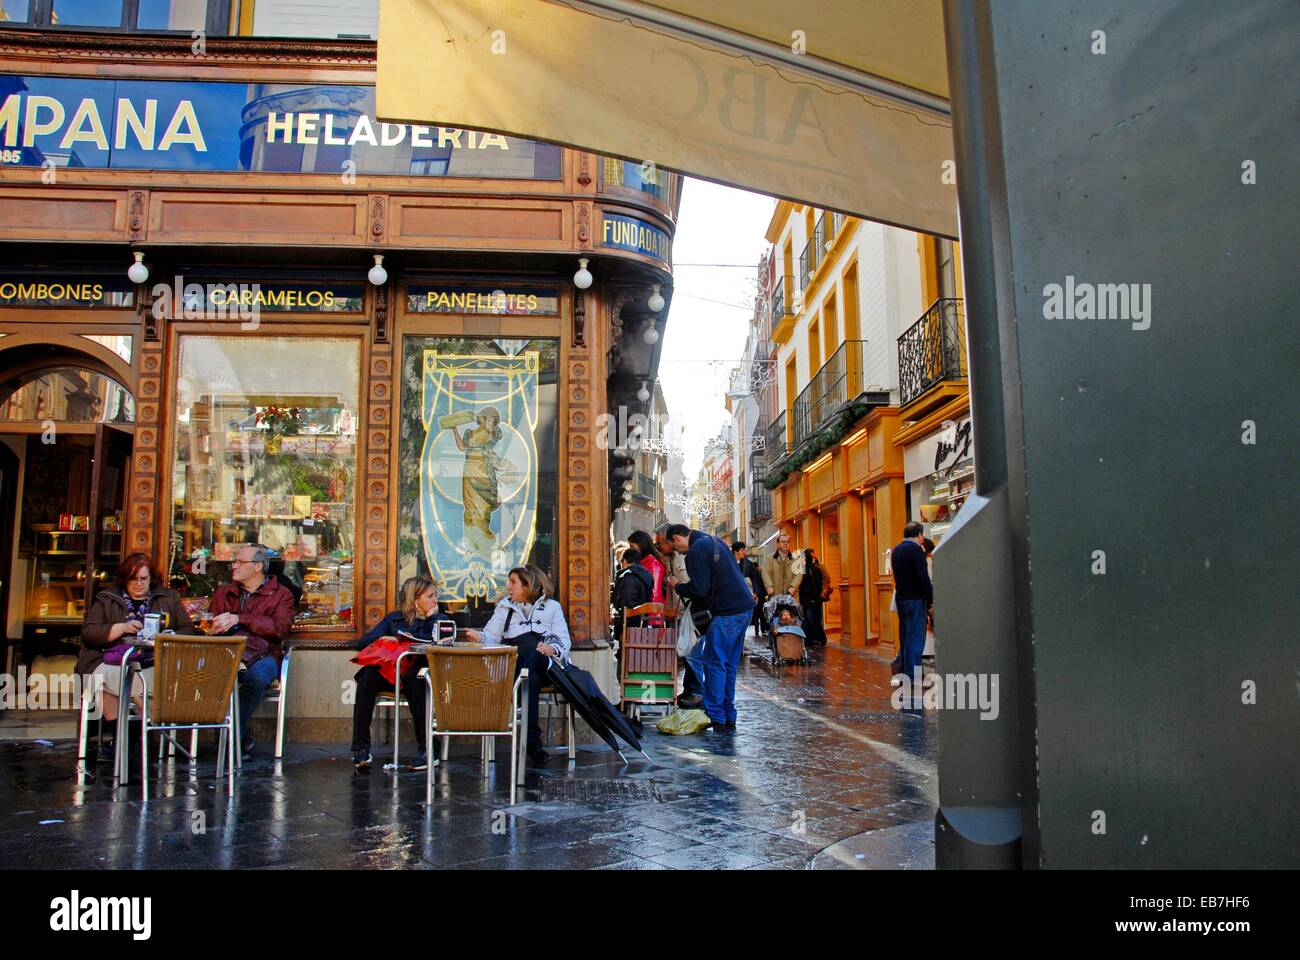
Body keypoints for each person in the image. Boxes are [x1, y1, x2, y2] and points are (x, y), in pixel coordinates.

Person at [465, 564, 571, 767]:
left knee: (532, 658)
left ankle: (531, 741)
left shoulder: (552, 607)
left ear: (528, 585)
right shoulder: (505, 608)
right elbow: (491, 636)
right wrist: (479, 637)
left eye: (513, 582)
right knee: (529, 676)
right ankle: (532, 742)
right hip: (518, 670)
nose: (509, 586)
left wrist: (552, 649)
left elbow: (564, 640)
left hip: (547, 664)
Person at [78, 553, 193, 733]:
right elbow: (89, 633)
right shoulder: (107, 598)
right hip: (110, 659)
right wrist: (122, 628)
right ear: (124, 579)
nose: (139, 583)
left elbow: (187, 629)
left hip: (155, 661)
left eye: (143, 578)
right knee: (104, 680)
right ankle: (128, 738)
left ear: (151, 578)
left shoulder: (168, 597)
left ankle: (125, 742)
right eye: (133, 579)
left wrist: (165, 637)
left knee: (118, 683)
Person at [351, 575, 453, 771]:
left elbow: (442, 643)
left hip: (426, 677)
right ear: (415, 601)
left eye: (435, 595)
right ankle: (360, 748)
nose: (435, 600)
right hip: (395, 674)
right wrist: (385, 639)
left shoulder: (441, 619)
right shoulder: (394, 619)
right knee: (367, 676)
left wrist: (432, 617)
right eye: (430, 596)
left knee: (415, 677)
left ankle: (429, 750)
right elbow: (362, 643)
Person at [207, 543, 296, 757]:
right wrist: (214, 627)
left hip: (264, 655)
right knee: (204, 676)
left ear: (258, 567)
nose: (234, 566)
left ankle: (231, 738)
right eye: (234, 561)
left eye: (240, 562)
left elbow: (279, 628)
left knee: (255, 678)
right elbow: (210, 624)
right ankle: (240, 735)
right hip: (227, 653)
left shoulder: (281, 595)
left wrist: (240, 619)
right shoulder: (223, 593)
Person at [666, 523, 755, 733]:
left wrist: (677, 586)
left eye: (674, 546)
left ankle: (715, 714)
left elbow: (700, 588)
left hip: (727, 612)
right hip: (743, 608)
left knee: (714, 662)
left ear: (677, 538)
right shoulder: (715, 541)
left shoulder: (695, 550)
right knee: (728, 663)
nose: (677, 551)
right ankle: (727, 714)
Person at [656, 523, 703, 709]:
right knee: (687, 651)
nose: (659, 546)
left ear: (671, 540)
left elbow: (686, 584)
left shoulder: (680, 559)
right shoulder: (668, 559)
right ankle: (690, 689)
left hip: (687, 612)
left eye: (661, 543)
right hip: (678, 613)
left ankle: (697, 692)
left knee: (691, 652)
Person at [890, 521, 933, 705]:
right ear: (919, 534)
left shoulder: (896, 550)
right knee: (916, 639)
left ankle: (906, 674)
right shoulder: (916, 550)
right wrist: (930, 598)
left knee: (905, 637)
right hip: (916, 598)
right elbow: (922, 577)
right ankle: (914, 676)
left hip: (902, 598)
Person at [611, 546, 653, 642]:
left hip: (629, 625)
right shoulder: (646, 575)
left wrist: (620, 623)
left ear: (624, 561)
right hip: (643, 621)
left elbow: (627, 603)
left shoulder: (628, 577)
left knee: (627, 653)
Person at [731, 541, 767, 638]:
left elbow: (756, 579)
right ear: (735, 551)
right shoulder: (728, 563)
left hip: (745, 597)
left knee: (743, 621)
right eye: (742, 550)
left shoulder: (749, 564)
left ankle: (740, 642)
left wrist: (755, 592)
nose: (744, 552)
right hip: (731, 598)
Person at [798, 548, 829, 647]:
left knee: (812, 618)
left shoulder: (814, 569)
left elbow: (818, 583)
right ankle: (809, 640)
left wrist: (815, 598)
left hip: (811, 599)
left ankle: (820, 638)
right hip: (806, 599)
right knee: (807, 619)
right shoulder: (803, 569)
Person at [761, 532, 802, 602]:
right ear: (778, 544)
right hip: (775, 596)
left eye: (788, 542)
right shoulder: (770, 558)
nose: (786, 543)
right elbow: (765, 573)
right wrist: (769, 586)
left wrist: (793, 587)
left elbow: (799, 575)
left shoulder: (796, 558)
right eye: (783, 542)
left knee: (791, 613)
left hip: (792, 596)